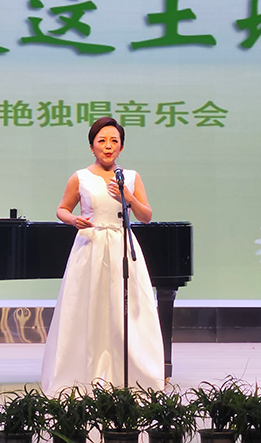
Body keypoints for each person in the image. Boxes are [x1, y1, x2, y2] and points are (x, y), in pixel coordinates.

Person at [40, 117, 165, 393]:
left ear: (121, 147)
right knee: (89, 309)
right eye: (102, 141)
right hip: (90, 247)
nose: (108, 146)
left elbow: (146, 216)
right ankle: (84, 374)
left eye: (114, 141)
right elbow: (62, 209)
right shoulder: (80, 177)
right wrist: (72, 220)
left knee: (125, 310)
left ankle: (129, 376)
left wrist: (129, 198)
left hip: (122, 245)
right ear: (92, 146)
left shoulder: (130, 177)